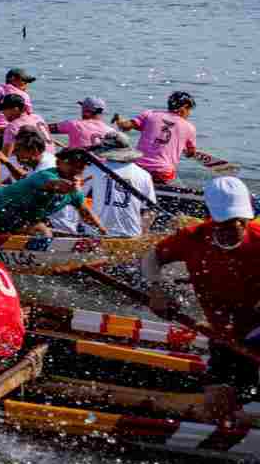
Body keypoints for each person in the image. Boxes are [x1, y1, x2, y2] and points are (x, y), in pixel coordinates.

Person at [142, 178, 260, 394]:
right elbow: (152, 258)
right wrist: (156, 290)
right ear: (210, 218)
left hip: (256, 331)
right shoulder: (192, 237)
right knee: (220, 395)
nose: (235, 229)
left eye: (240, 222)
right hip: (222, 333)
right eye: (224, 224)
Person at [115, 92, 200, 185]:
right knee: (180, 186)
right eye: (189, 110)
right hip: (162, 173)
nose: (189, 113)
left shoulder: (150, 114)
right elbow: (191, 153)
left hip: (138, 168)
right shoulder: (189, 128)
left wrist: (119, 120)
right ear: (184, 107)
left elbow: (125, 126)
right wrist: (187, 152)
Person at [82, 154, 155, 238]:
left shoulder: (93, 169)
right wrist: (142, 236)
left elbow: (76, 198)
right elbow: (150, 211)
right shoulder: (144, 175)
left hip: (96, 233)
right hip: (131, 234)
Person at [52, 97, 127, 151]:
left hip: (78, 165)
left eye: (82, 108)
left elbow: (43, 127)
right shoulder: (111, 131)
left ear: (86, 112)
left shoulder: (73, 124)